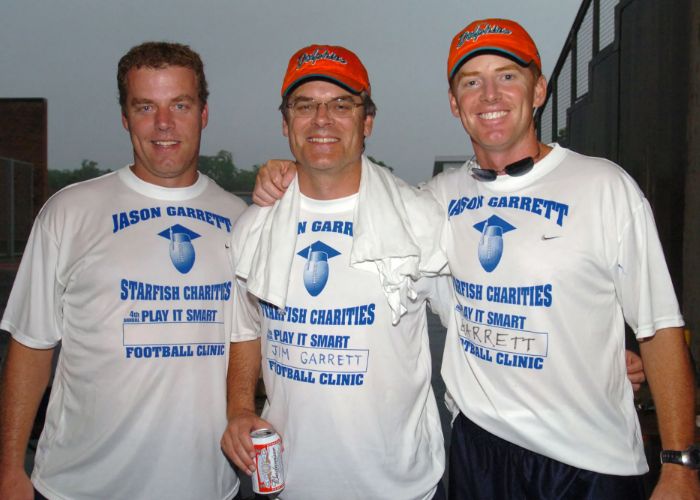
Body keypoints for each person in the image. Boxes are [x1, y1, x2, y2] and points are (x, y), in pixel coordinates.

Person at [251, 19, 691, 500]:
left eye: (507, 76)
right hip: (479, 449)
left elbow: (660, 327)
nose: (489, 95)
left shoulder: (604, 187)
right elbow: (349, 197)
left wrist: (679, 466)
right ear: (454, 103)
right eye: (471, 82)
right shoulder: (434, 202)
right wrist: (292, 171)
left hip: (588, 459)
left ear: (539, 89)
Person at [0, 42, 247, 500]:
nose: (164, 124)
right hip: (80, 486)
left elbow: (249, 344)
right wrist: (10, 468)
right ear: (125, 118)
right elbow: (31, 346)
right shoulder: (70, 211)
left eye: (180, 104)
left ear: (204, 113)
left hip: (206, 487)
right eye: (145, 107)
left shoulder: (242, 220)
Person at [220, 44, 450, 499]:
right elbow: (245, 329)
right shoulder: (255, 227)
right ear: (286, 124)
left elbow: (477, 324)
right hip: (290, 483)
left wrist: (592, 361)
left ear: (367, 122)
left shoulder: (419, 219)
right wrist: (240, 409)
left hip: (400, 488)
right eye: (305, 106)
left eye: (341, 105)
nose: (322, 119)